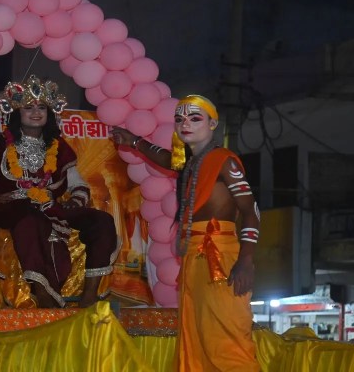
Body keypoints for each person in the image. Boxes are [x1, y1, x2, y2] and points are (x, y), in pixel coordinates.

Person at [111, 94, 260, 371]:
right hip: (192, 255)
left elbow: (252, 211)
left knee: (226, 334)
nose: (185, 124)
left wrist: (246, 260)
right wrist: (134, 142)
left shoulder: (224, 161)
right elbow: (168, 160)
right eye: (179, 119)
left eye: (194, 118)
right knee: (196, 332)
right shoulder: (193, 162)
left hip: (219, 255)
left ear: (212, 124)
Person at [0, 75, 119, 308]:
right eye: (28, 107)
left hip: (49, 207)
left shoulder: (58, 147)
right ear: (17, 112)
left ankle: (89, 295)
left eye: (41, 107)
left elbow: (79, 185)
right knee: (30, 218)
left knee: (102, 220)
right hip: (10, 209)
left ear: (49, 113)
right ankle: (43, 294)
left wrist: (75, 202)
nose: (36, 112)